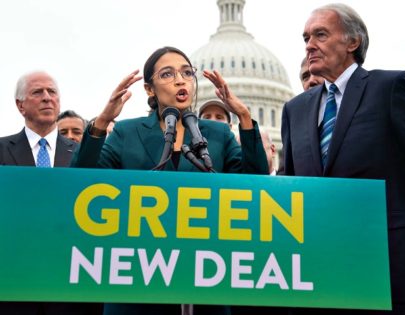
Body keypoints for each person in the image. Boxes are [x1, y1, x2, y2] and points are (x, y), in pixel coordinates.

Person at [72, 46, 269, 315]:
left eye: (187, 72)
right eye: (167, 74)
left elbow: (256, 187)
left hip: (205, 281)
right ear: (149, 89)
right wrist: (103, 120)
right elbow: (81, 182)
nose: (180, 79)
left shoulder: (218, 134)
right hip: (137, 285)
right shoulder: (126, 133)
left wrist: (244, 116)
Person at [281, 3, 405, 315]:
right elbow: (288, 191)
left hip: (388, 269)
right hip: (319, 274)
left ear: (352, 42)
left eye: (320, 35)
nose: (309, 46)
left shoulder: (391, 87)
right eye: (305, 38)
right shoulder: (295, 109)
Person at [0, 71, 102, 314]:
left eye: (52, 92)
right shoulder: (2, 149)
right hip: (15, 280)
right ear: (20, 105)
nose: (47, 98)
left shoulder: (82, 154)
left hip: (69, 281)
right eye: (38, 92)